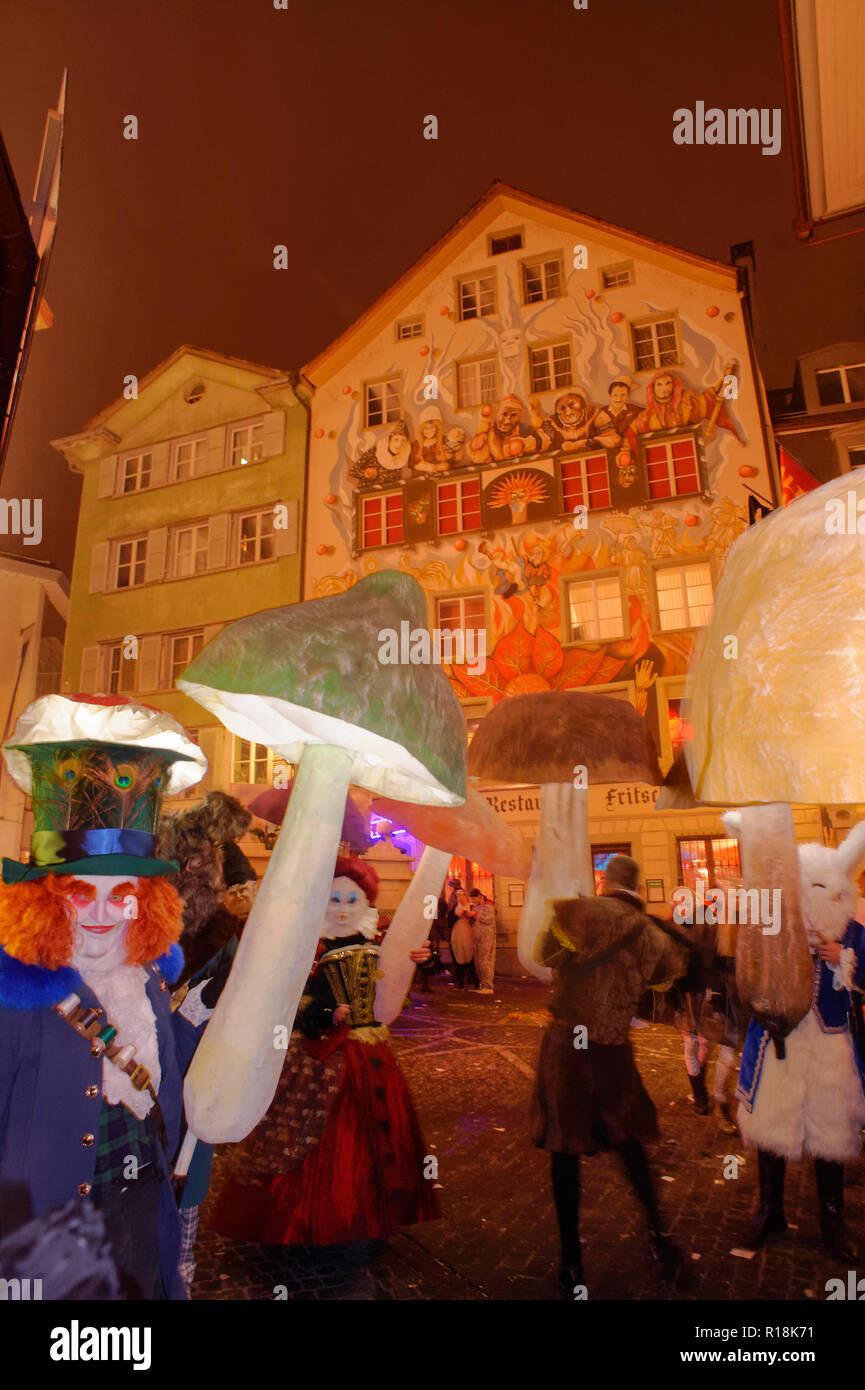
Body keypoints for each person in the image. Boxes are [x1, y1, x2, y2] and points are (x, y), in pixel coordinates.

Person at [0, 693, 209, 1300]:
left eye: (120, 892)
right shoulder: (15, 992)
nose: (99, 913)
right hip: (47, 1235)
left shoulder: (148, 978)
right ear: (47, 898)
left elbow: (168, 1069)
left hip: (140, 1213)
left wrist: (205, 1015)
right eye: (77, 892)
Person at [206, 856, 439, 1246]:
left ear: (365, 901)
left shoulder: (375, 941)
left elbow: (393, 984)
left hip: (370, 1054)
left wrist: (421, 959)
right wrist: (327, 1012)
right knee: (316, 1142)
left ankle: (369, 1215)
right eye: (336, 899)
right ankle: (317, 1220)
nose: (344, 907)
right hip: (320, 1056)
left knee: (376, 1139)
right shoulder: (307, 947)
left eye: (353, 898)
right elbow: (287, 1000)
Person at [530, 854, 688, 1294]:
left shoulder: (582, 913)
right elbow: (662, 983)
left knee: (564, 1153)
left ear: (605, 881)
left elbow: (545, 954)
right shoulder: (651, 933)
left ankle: (572, 1263)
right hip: (612, 1049)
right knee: (629, 1143)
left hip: (567, 1047)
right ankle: (660, 1236)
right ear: (636, 886)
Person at [731, 821, 865, 1259]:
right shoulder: (773, 928)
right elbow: (748, 973)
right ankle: (767, 1210)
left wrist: (842, 959)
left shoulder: (850, 931)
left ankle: (832, 1219)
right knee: (772, 1127)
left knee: (829, 1135)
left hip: (829, 1045)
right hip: (779, 1041)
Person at [449, 887, 477, 989]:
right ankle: (461, 981)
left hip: (468, 931)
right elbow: (455, 915)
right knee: (459, 953)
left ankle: (474, 980)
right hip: (458, 931)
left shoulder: (471, 906)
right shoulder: (456, 907)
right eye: (458, 896)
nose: (460, 898)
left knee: (469, 954)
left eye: (462, 896)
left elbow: (474, 916)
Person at [470, 888, 497, 993]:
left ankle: (488, 985)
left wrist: (475, 915)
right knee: (478, 962)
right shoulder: (476, 907)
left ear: (480, 897)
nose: (473, 902)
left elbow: (488, 919)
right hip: (477, 938)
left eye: (474, 899)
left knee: (485, 961)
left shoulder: (488, 906)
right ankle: (482, 984)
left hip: (486, 938)